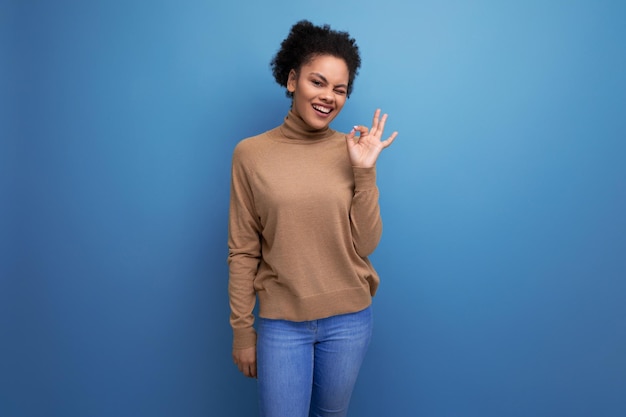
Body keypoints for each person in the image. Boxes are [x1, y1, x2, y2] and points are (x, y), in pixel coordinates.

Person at [227, 19, 397, 417]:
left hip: (349, 320)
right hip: (282, 323)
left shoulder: (353, 150)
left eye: (339, 89)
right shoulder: (251, 155)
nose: (328, 97)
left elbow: (367, 244)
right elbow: (242, 250)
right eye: (317, 82)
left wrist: (365, 172)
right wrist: (241, 330)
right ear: (292, 80)